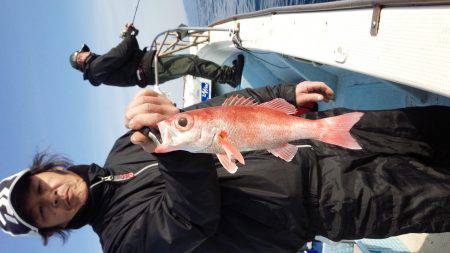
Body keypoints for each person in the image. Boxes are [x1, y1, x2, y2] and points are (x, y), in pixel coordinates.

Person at [1, 81, 450, 253]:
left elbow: (216, 110)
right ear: (52, 228)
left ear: (50, 169)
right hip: (325, 202)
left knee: (431, 128)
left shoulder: (123, 148)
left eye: (41, 188)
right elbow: (191, 217)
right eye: (42, 211)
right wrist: (174, 148)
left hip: (310, 132)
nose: (53, 198)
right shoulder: (121, 242)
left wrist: (283, 92)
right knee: (439, 196)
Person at [69, 23, 245, 88]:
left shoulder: (97, 69)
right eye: (84, 51)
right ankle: (229, 76)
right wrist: (129, 35)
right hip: (150, 68)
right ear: (80, 59)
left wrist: (129, 36)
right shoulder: (96, 67)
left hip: (149, 66)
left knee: (190, 63)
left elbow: (123, 54)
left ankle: (227, 76)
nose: (88, 51)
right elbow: (121, 53)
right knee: (190, 64)